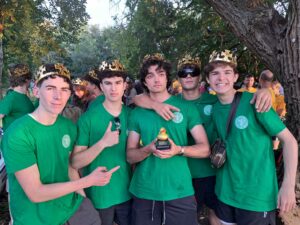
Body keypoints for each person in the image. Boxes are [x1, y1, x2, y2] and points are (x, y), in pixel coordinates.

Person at [133, 54, 272, 225]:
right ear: (177, 77)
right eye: (184, 73)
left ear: (201, 76)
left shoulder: (215, 100)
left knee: (216, 216)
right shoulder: (172, 104)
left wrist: (265, 90)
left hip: (216, 171)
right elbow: (137, 98)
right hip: (185, 174)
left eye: (193, 72)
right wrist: (155, 105)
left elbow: (236, 97)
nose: (189, 76)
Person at [2, 63, 119, 225]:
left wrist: (84, 200)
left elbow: (70, 166)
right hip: (36, 217)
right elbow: (35, 192)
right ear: (36, 91)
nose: (58, 96)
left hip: (73, 208)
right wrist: (88, 181)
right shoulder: (18, 133)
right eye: (50, 88)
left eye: (64, 89)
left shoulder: (68, 126)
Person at [204, 50, 298, 225]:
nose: (220, 78)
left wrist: (288, 186)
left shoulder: (255, 102)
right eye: (214, 73)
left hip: (256, 197)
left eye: (227, 72)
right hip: (225, 193)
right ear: (208, 79)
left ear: (235, 77)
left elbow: (290, 141)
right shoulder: (214, 108)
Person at [127, 53, 210, 225]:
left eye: (161, 74)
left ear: (167, 78)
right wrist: (148, 149)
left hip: (180, 191)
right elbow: (130, 156)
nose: (156, 79)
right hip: (144, 192)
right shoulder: (136, 113)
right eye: (150, 75)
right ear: (144, 82)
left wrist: (178, 150)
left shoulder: (186, 109)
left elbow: (205, 149)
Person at [71, 60, 132, 225]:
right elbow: (75, 162)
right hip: (99, 195)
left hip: (129, 192)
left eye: (118, 83)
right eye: (108, 83)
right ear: (101, 86)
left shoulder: (132, 115)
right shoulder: (88, 119)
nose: (113, 88)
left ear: (125, 85)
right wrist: (102, 143)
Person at [0, 64, 34, 132]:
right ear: (27, 80)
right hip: (12, 141)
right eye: (31, 79)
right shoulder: (11, 98)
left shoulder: (23, 97)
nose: (31, 81)